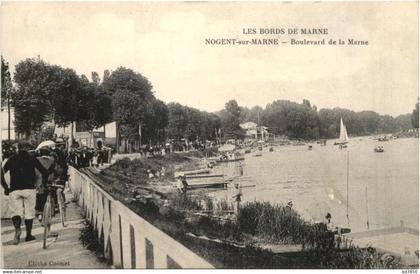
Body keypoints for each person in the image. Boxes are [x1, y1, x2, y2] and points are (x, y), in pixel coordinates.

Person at [1, 142, 54, 244]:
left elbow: (1, 173)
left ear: (18, 148)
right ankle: (28, 235)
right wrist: (45, 180)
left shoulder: (11, 159)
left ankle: (17, 230)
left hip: (14, 189)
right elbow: (44, 172)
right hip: (29, 189)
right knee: (29, 212)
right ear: (26, 148)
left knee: (16, 212)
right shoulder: (32, 158)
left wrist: (5, 187)